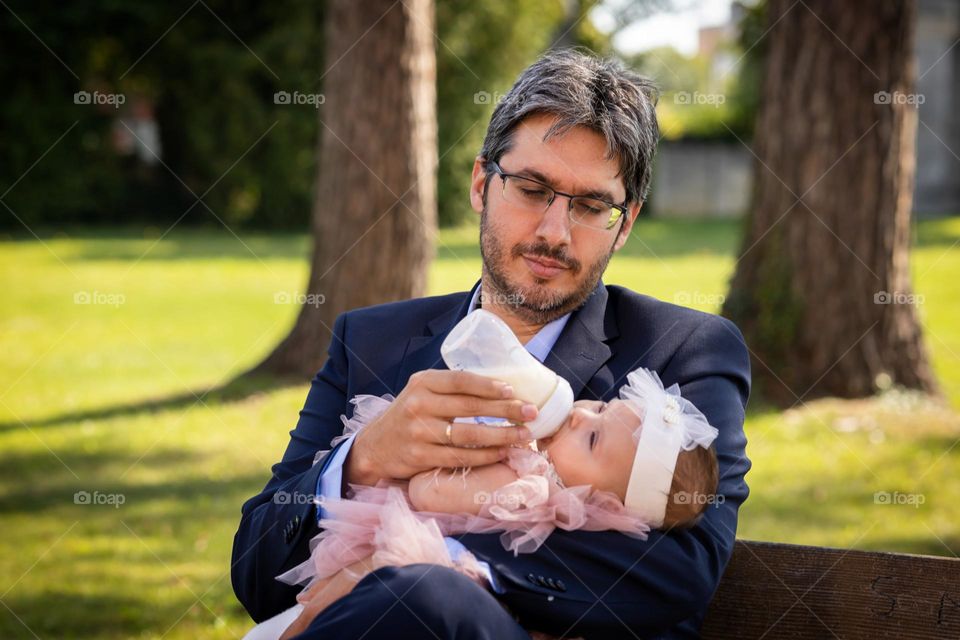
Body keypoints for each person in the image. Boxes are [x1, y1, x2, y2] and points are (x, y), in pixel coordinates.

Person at [232, 49, 751, 639]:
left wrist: (441, 562)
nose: (554, 232)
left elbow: (681, 570)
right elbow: (256, 572)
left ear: (625, 223)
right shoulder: (371, 339)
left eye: (590, 206)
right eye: (531, 189)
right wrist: (365, 458)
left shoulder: (687, 350)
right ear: (482, 184)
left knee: (425, 600)